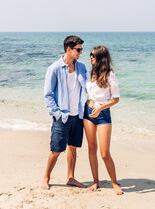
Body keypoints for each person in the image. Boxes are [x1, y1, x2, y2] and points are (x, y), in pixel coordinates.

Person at [41, 35, 87, 190]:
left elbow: (88, 86)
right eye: (78, 49)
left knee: (73, 148)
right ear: (69, 49)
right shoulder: (54, 68)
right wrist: (57, 114)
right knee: (56, 150)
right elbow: (48, 95)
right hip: (62, 117)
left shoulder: (81, 67)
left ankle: (70, 177)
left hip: (78, 116)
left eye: (81, 49)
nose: (81, 52)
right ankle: (46, 178)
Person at [83, 46, 124, 195]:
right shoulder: (88, 74)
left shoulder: (110, 75)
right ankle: (95, 181)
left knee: (105, 153)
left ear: (100, 57)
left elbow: (116, 99)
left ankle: (114, 182)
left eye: (93, 55)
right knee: (92, 149)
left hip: (103, 115)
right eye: (90, 55)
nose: (90, 57)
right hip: (88, 113)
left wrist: (100, 108)